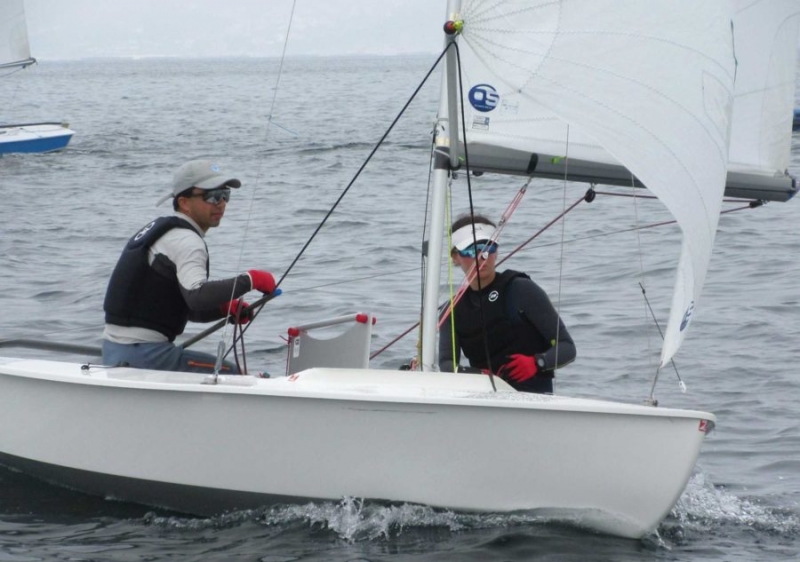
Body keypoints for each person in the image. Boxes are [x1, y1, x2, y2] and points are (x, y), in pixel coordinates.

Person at [102, 159, 279, 374]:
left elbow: (186, 306)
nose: (221, 203)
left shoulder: (165, 233)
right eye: (212, 196)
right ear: (184, 202)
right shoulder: (187, 241)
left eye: (225, 195)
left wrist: (225, 308)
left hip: (116, 351)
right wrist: (251, 280)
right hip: (144, 355)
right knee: (232, 374)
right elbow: (197, 296)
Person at [438, 214, 576, 393]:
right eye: (472, 251)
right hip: (486, 399)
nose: (482, 257)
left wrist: (537, 362)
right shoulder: (452, 309)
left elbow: (567, 347)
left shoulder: (521, 289)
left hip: (534, 398)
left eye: (488, 248)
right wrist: (477, 374)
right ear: (455, 257)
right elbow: (447, 364)